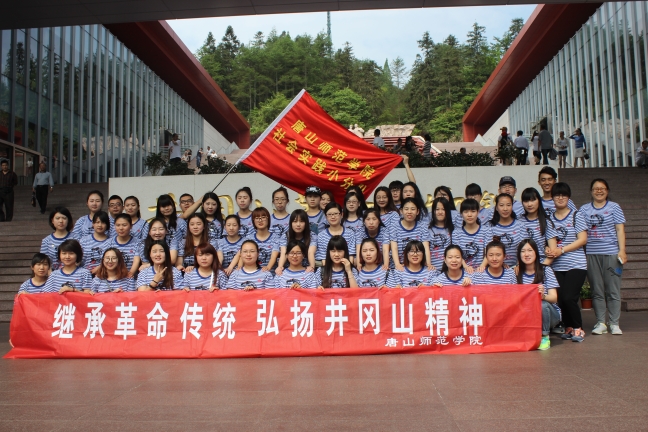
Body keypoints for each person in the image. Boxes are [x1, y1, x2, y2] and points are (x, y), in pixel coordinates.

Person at [580, 178, 626, 335]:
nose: (599, 191)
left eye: (602, 188)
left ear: (607, 191)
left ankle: (614, 323)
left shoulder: (614, 207)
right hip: (591, 253)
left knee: (613, 290)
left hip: (611, 253)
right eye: (596, 188)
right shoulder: (584, 209)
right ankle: (600, 322)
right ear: (591, 191)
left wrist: (622, 250)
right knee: (597, 290)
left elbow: (620, 229)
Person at [546, 182, 588, 342]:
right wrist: (550, 251)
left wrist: (562, 250)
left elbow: (582, 239)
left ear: (568, 197)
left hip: (576, 264)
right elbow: (551, 242)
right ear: (553, 198)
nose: (560, 198)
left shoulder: (576, 215)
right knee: (561, 298)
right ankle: (569, 327)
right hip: (558, 265)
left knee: (570, 297)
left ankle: (578, 328)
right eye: (557, 195)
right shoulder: (549, 219)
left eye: (563, 195)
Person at [517, 239, 561, 350]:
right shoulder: (516, 272)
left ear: (536, 252)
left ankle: (545, 336)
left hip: (550, 315)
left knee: (542, 304)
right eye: (523, 251)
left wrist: (543, 296)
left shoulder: (546, 270)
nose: (526, 254)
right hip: (527, 314)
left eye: (530, 250)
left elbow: (554, 298)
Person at [389, 198, 432, 271]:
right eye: (406, 209)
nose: (409, 212)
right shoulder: (394, 226)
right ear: (401, 211)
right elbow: (394, 248)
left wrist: (428, 264)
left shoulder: (423, 227)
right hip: (399, 267)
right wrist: (397, 265)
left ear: (417, 211)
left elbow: (425, 247)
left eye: (413, 209)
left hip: (416, 266)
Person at [451, 198, 492, 271]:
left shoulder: (486, 230)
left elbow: (489, 252)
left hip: (482, 270)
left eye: (473, 211)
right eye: (466, 212)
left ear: (478, 212)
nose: (469, 215)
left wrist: (481, 267)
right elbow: (456, 254)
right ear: (461, 214)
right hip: (462, 271)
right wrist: (466, 267)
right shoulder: (456, 233)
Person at [487, 194, 525, 267]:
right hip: (496, 267)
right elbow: (488, 250)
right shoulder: (490, 226)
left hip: (518, 267)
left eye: (508, 205)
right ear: (496, 208)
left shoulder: (520, 226)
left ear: (512, 206)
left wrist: (518, 265)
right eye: (501, 205)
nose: (505, 209)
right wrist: (500, 264)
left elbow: (524, 248)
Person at [243, 207, 280, 271]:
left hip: (270, 273)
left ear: (268, 219)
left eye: (263, 217)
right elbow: (242, 255)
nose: (260, 220)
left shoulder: (276, 238)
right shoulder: (249, 238)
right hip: (253, 273)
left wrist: (267, 268)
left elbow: (274, 256)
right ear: (253, 221)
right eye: (257, 218)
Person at [520, 188, 551, 262]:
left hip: (542, 262)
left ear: (539, 201)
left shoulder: (546, 221)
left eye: (533, 200)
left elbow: (552, 251)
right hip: (522, 263)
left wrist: (543, 266)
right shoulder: (518, 221)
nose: (529, 204)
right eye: (526, 201)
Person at [429, 197, 454, 270]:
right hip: (431, 270)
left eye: (443, 209)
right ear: (433, 211)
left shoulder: (453, 230)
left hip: (448, 270)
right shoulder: (427, 230)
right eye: (437, 209)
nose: (440, 212)